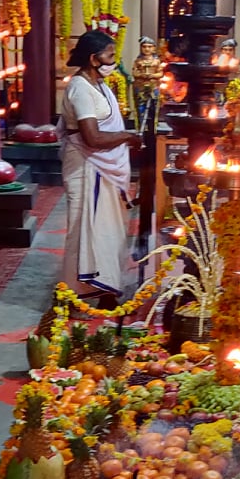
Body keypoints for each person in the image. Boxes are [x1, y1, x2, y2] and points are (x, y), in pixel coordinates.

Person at [58, 29, 141, 304]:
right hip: (86, 165)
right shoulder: (80, 88)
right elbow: (92, 138)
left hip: (102, 167)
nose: (113, 60)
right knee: (83, 230)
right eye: (109, 55)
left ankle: (106, 288)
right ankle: (73, 294)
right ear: (94, 59)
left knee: (108, 228)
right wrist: (129, 137)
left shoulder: (99, 85)